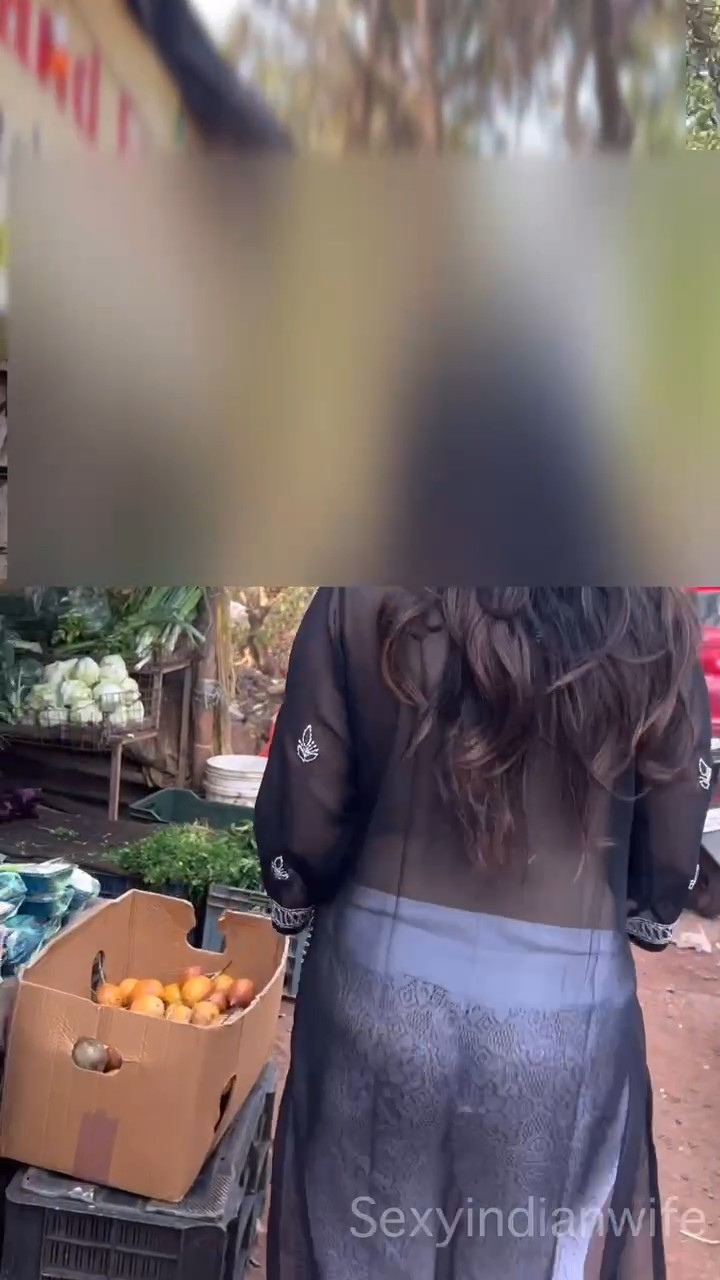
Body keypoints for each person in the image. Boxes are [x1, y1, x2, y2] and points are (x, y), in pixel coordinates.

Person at [254, 586, 711, 1280]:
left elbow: (306, 815)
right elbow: (673, 845)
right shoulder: (647, 609)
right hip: (563, 1020)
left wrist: (296, 886)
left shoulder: (366, 588)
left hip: (377, 1000)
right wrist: (647, 907)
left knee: (361, 1247)